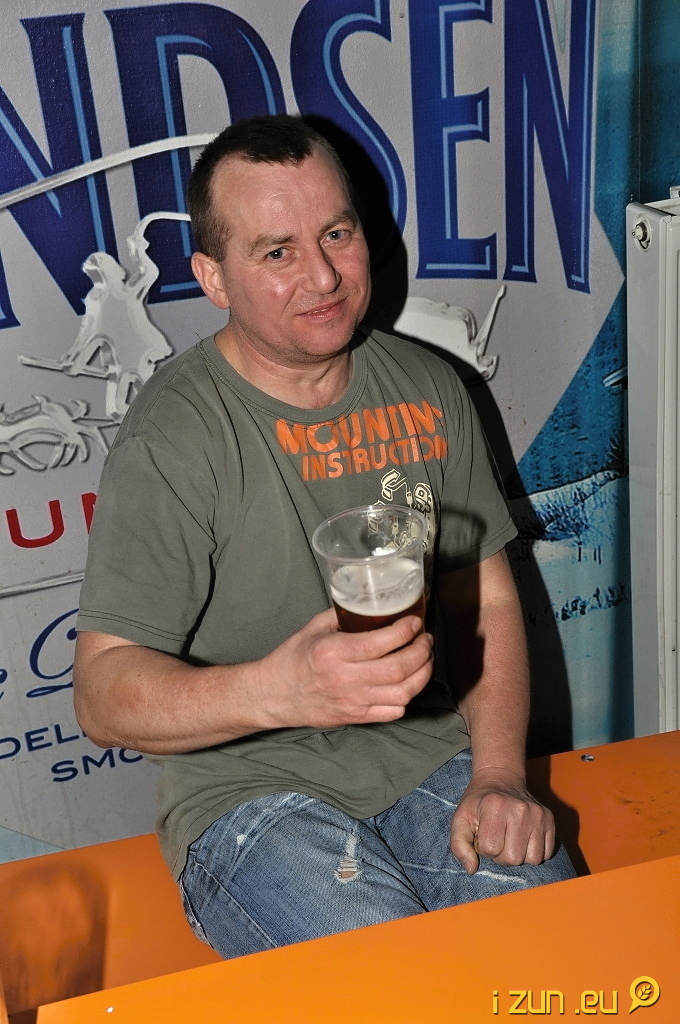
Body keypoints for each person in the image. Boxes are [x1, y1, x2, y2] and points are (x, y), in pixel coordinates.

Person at [74, 114, 574, 959]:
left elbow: (486, 596)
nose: (324, 275)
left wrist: (498, 774)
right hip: (247, 794)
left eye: (337, 234)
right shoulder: (174, 436)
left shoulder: (428, 385)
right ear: (214, 277)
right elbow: (102, 696)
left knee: (557, 962)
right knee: (401, 988)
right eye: (277, 252)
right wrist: (280, 691)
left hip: (433, 760)